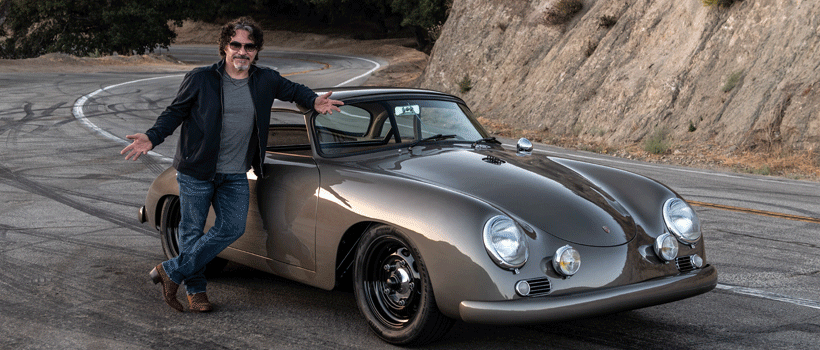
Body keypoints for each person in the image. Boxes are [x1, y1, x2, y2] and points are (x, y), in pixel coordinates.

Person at [120, 16, 343, 313]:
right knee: (191, 232)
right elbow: (175, 113)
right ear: (225, 47)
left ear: (256, 50)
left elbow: (295, 91)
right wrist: (151, 136)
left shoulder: (265, 79)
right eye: (236, 44)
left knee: (233, 228)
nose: (242, 51)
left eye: (249, 46)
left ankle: (171, 271)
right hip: (196, 171)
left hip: (236, 173)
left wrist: (314, 101)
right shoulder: (201, 79)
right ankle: (196, 292)